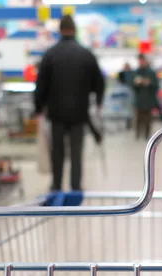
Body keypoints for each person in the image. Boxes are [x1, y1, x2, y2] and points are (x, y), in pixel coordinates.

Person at [34, 14, 105, 192]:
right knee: (76, 153)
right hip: (79, 113)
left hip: (56, 113)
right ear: (75, 30)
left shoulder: (50, 55)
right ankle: (75, 187)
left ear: (60, 31)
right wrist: (98, 102)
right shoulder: (86, 55)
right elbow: (99, 83)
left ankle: (57, 186)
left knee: (57, 152)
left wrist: (38, 107)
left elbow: (41, 84)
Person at [132, 54, 159, 140]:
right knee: (138, 119)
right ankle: (137, 134)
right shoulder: (136, 72)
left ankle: (147, 135)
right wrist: (136, 84)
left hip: (148, 100)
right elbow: (132, 86)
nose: (141, 62)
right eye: (139, 61)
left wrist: (149, 84)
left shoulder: (151, 72)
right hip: (139, 100)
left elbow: (156, 86)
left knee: (148, 119)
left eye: (142, 60)